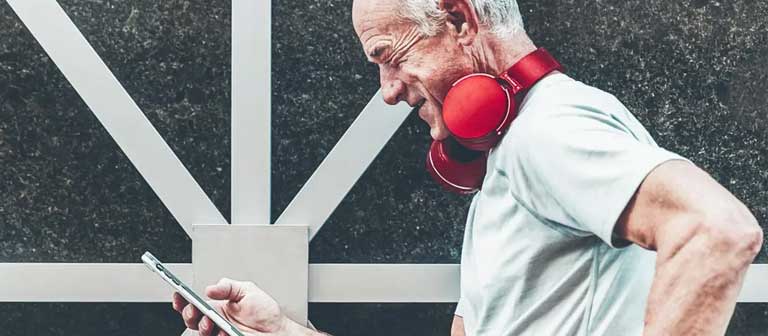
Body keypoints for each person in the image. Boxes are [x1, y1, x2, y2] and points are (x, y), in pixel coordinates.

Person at [173, 0, 764, 335]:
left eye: (388, 57)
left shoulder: (547, 129)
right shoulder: (511, 154)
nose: (387, 91)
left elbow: (715, 230)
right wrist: (278, 331)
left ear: (458, 20)